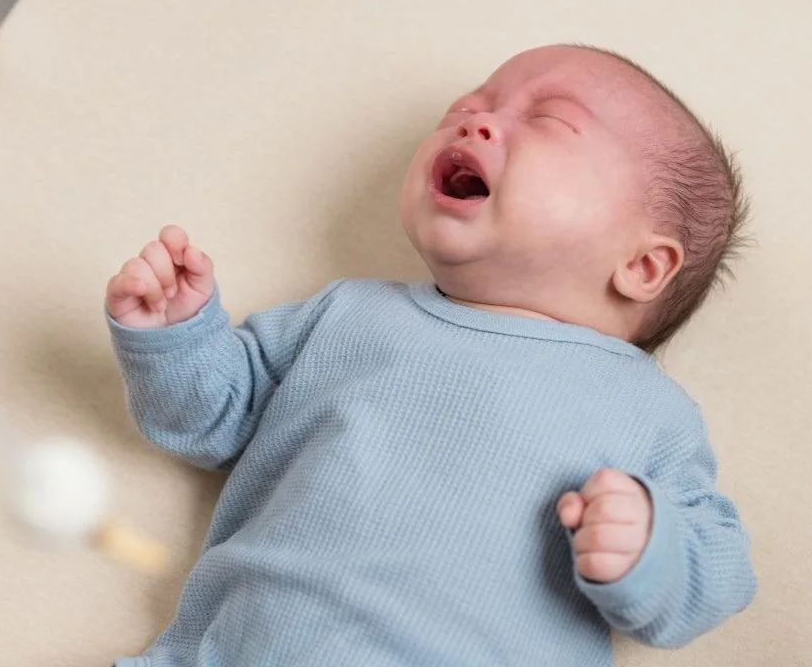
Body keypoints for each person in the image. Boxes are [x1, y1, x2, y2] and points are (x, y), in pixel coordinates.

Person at [105, 44, 756, 666]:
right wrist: (179, 334)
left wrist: (648, 544)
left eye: (546, 120)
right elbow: (213, 417)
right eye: (464, 110)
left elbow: (715, 577)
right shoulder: (345, 315)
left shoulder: (647, 411)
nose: (475, 123)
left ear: (641, 264)